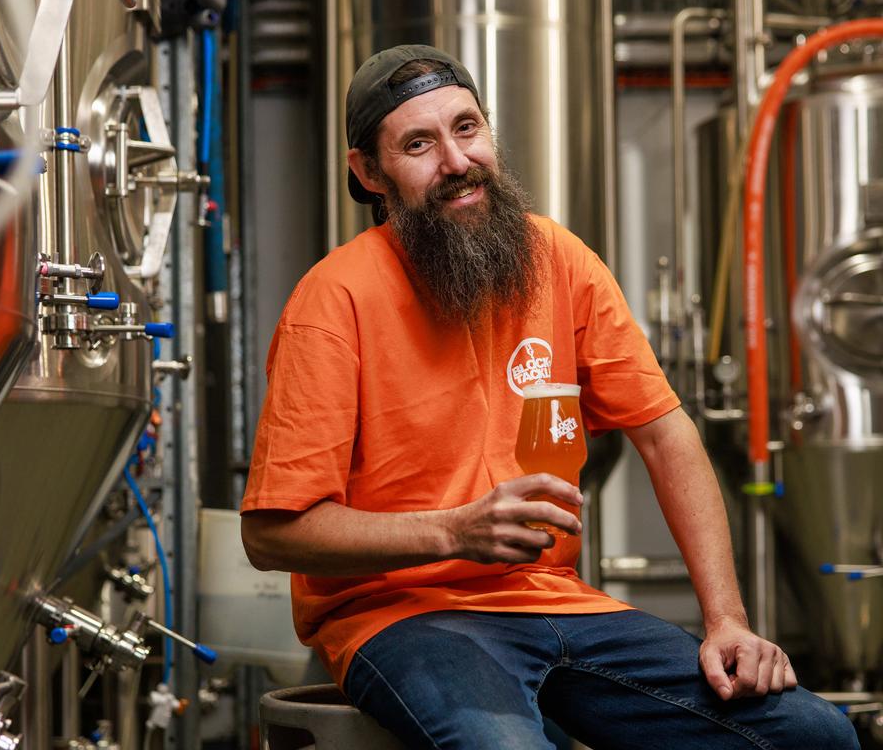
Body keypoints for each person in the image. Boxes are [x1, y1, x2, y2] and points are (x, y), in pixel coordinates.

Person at [240, 44, 858, 749]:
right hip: (400, 616)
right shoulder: (334, 300)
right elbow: (270, 534)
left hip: (556, 602)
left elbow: (665, 433)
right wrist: (452, 531)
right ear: (369, 173)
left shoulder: (556, 259)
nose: (457, 161)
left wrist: (727, 620)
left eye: (467, 128)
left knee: (814, 734)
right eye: (419, 144)